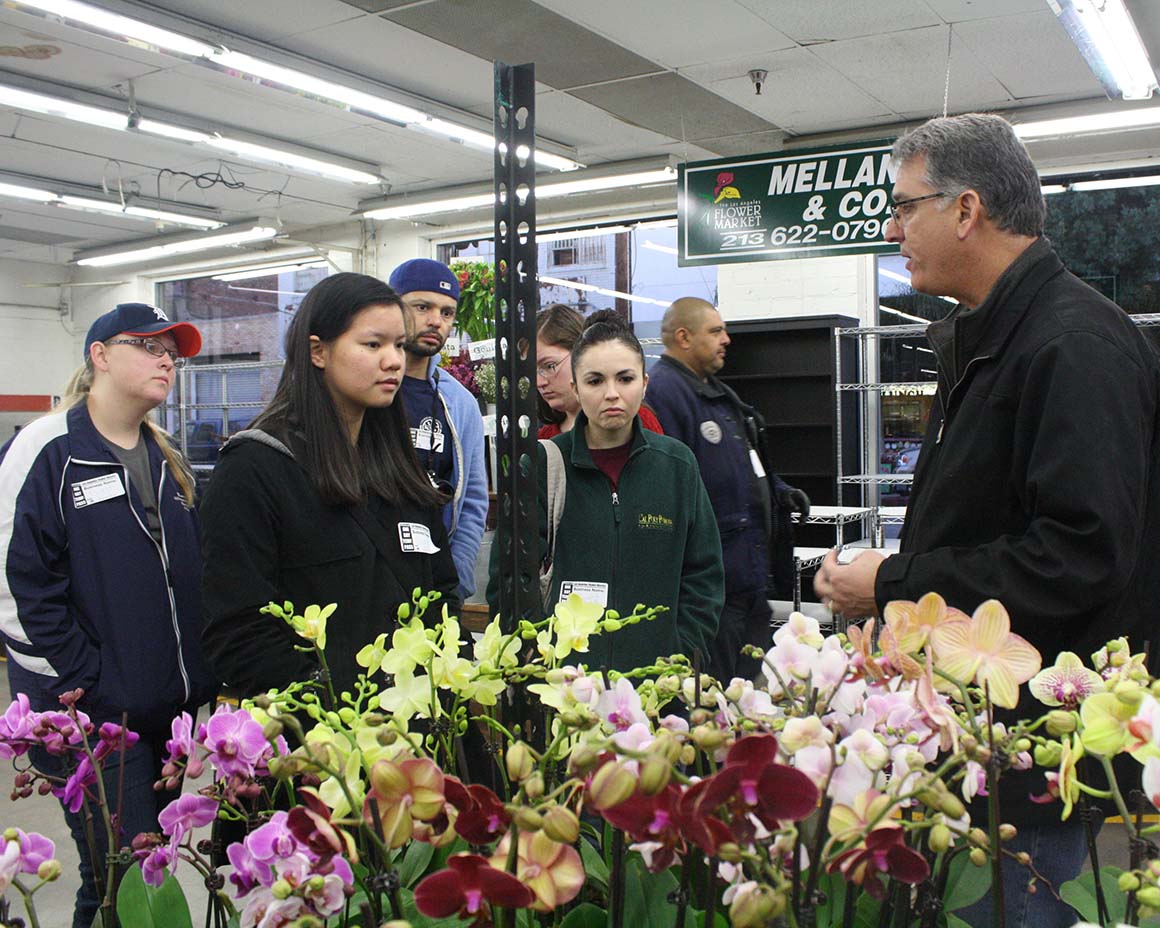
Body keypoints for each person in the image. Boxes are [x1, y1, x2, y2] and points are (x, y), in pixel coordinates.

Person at [813, 113, 1160, 928]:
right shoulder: (995, 340)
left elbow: (1078, 555)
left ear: (966, 210)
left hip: (1028, 751)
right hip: (977, 734)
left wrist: (896, 584)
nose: (894, 229)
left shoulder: (1071, 346)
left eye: (905, 207)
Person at [0, 302, 214, 927]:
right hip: (90, 715)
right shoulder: (47, 449)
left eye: (171, 352)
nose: (165, 361)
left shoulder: (164, 454)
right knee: (128, 871)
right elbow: (14, 584)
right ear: (99, 355)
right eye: (148, 346)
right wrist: (80, 679)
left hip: (164, 711)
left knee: (133, 871)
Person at [200, 273, 460, 699]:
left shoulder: (401, 469)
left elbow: (442, 590)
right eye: (373, 345)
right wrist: (331, 707)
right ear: (318, 352)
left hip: (418, 729)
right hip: (324, 743)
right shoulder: (255, 469)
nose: (394, 361)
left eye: (398, 344)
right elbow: (239, 633)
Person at [491, 309, 724, 673]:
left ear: (645, 384)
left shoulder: (677, 467)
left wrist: (679, 653)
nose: (612, 394)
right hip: (565, 686)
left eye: (625, 378)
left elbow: (703, 577)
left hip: (654, 690)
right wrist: (534, 656)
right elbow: (509, 578)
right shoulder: (540, 466)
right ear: (576, 388)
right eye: (595, 381)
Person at [646, 297, 810, 682]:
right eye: (716, 331)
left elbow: (741, 462)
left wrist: (778, 491)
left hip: (747, 582)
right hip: (712, 593)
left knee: (747, 695)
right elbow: (671, 488)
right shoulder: (666, 395)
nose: (727, 339)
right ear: (684, 337)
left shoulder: (715, 393)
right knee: (714, 699)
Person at [388, 258, 488, 600]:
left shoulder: (459, 402)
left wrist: (455, 582)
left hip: (436, 583)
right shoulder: (372, 388)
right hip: (374, 577)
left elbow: (473, 500)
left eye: (447, 312)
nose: (435, 321)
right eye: (422, 307)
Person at [536, 303, 663, 438]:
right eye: (533, 372)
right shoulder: (544, 441)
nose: (539, 382)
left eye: (550, 366)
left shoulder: (634, 422)